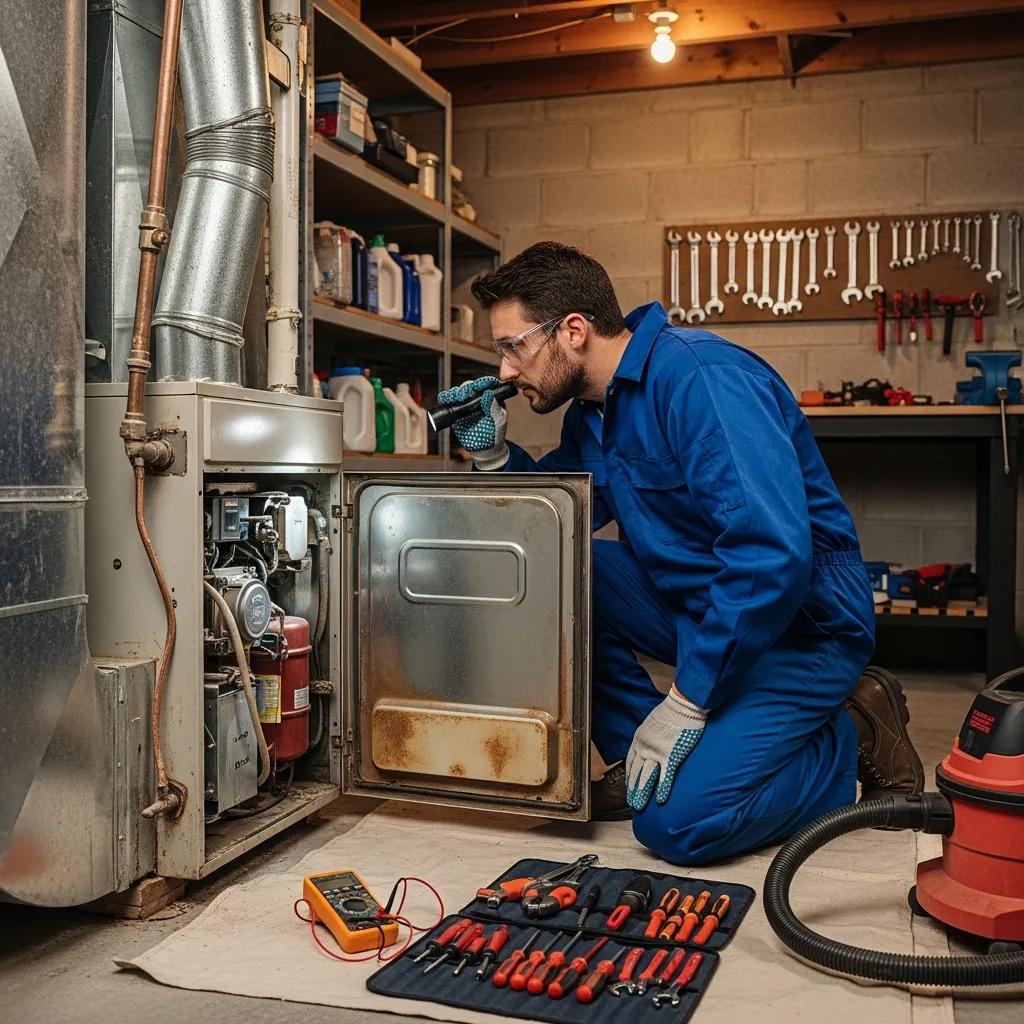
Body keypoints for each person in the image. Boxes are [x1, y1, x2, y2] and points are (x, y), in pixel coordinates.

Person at [436, 242, 923, 865]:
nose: (505, 371)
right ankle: (645, 754)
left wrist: (689, 700)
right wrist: (494, 458)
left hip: (798, 626)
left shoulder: (702, 380)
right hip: (697, 605)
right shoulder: (594, 411)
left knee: (678, 826)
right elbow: (556, 519)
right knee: (557, 567)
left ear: (574, 331)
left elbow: (768, 555)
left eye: (513, 346)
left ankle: (848, 732)